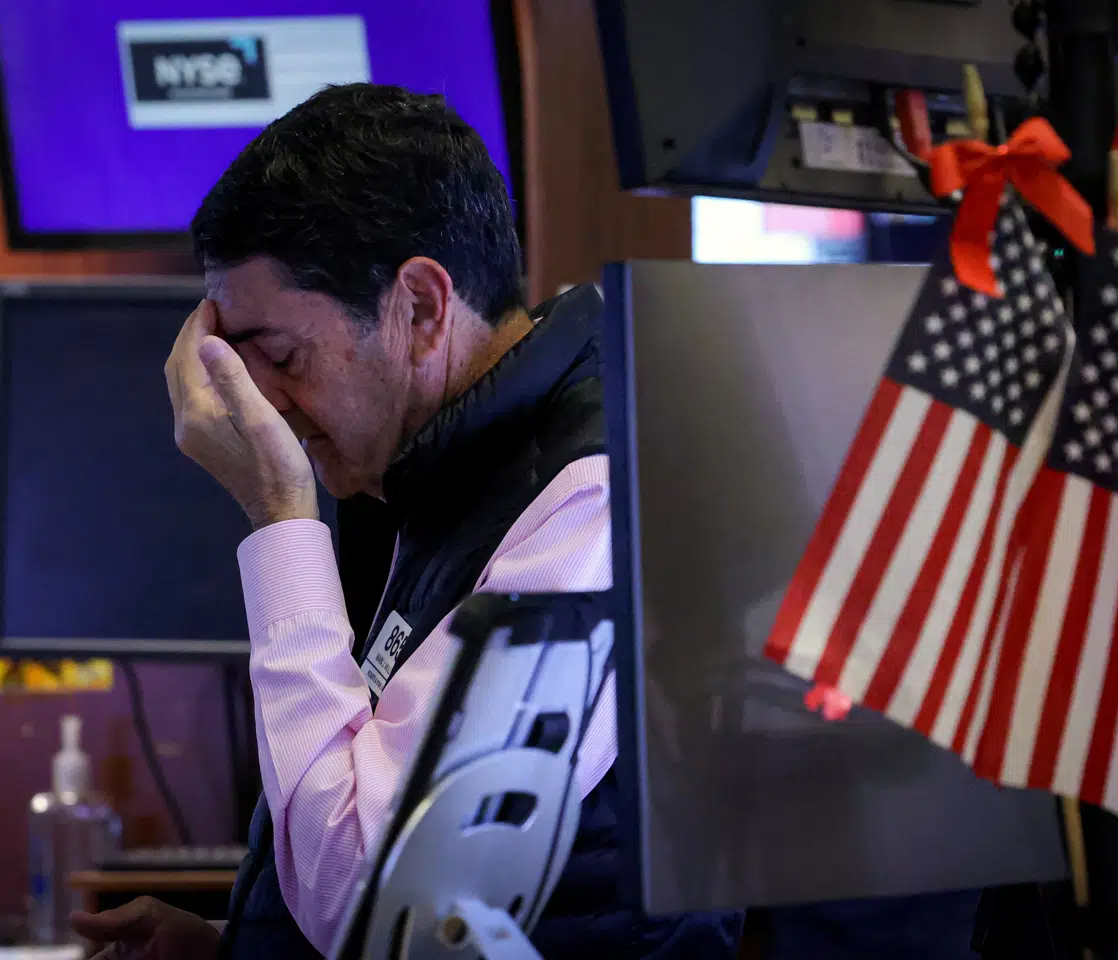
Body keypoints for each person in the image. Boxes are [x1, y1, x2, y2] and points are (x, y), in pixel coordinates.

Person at [70, 83, 742, 960]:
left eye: (278, 357)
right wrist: (236, 945)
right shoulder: (421, 468)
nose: (259, 407)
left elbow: (372, 902)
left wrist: (279, 520)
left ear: (420, 308)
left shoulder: (592, 500)